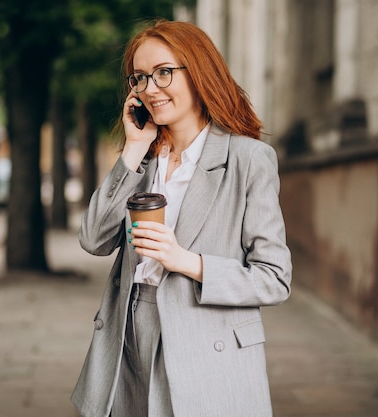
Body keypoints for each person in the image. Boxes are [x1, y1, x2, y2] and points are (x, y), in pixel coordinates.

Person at [71, 19, 292, 417]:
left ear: (199, 72)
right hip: (128, 335)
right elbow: (93, 239)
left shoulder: (248, 159)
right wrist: (134, 149)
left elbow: (274, 279)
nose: (150, 88)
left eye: (163, 73)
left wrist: (187, 261)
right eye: (139, 78)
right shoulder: (144, 160)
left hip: (206, 344)